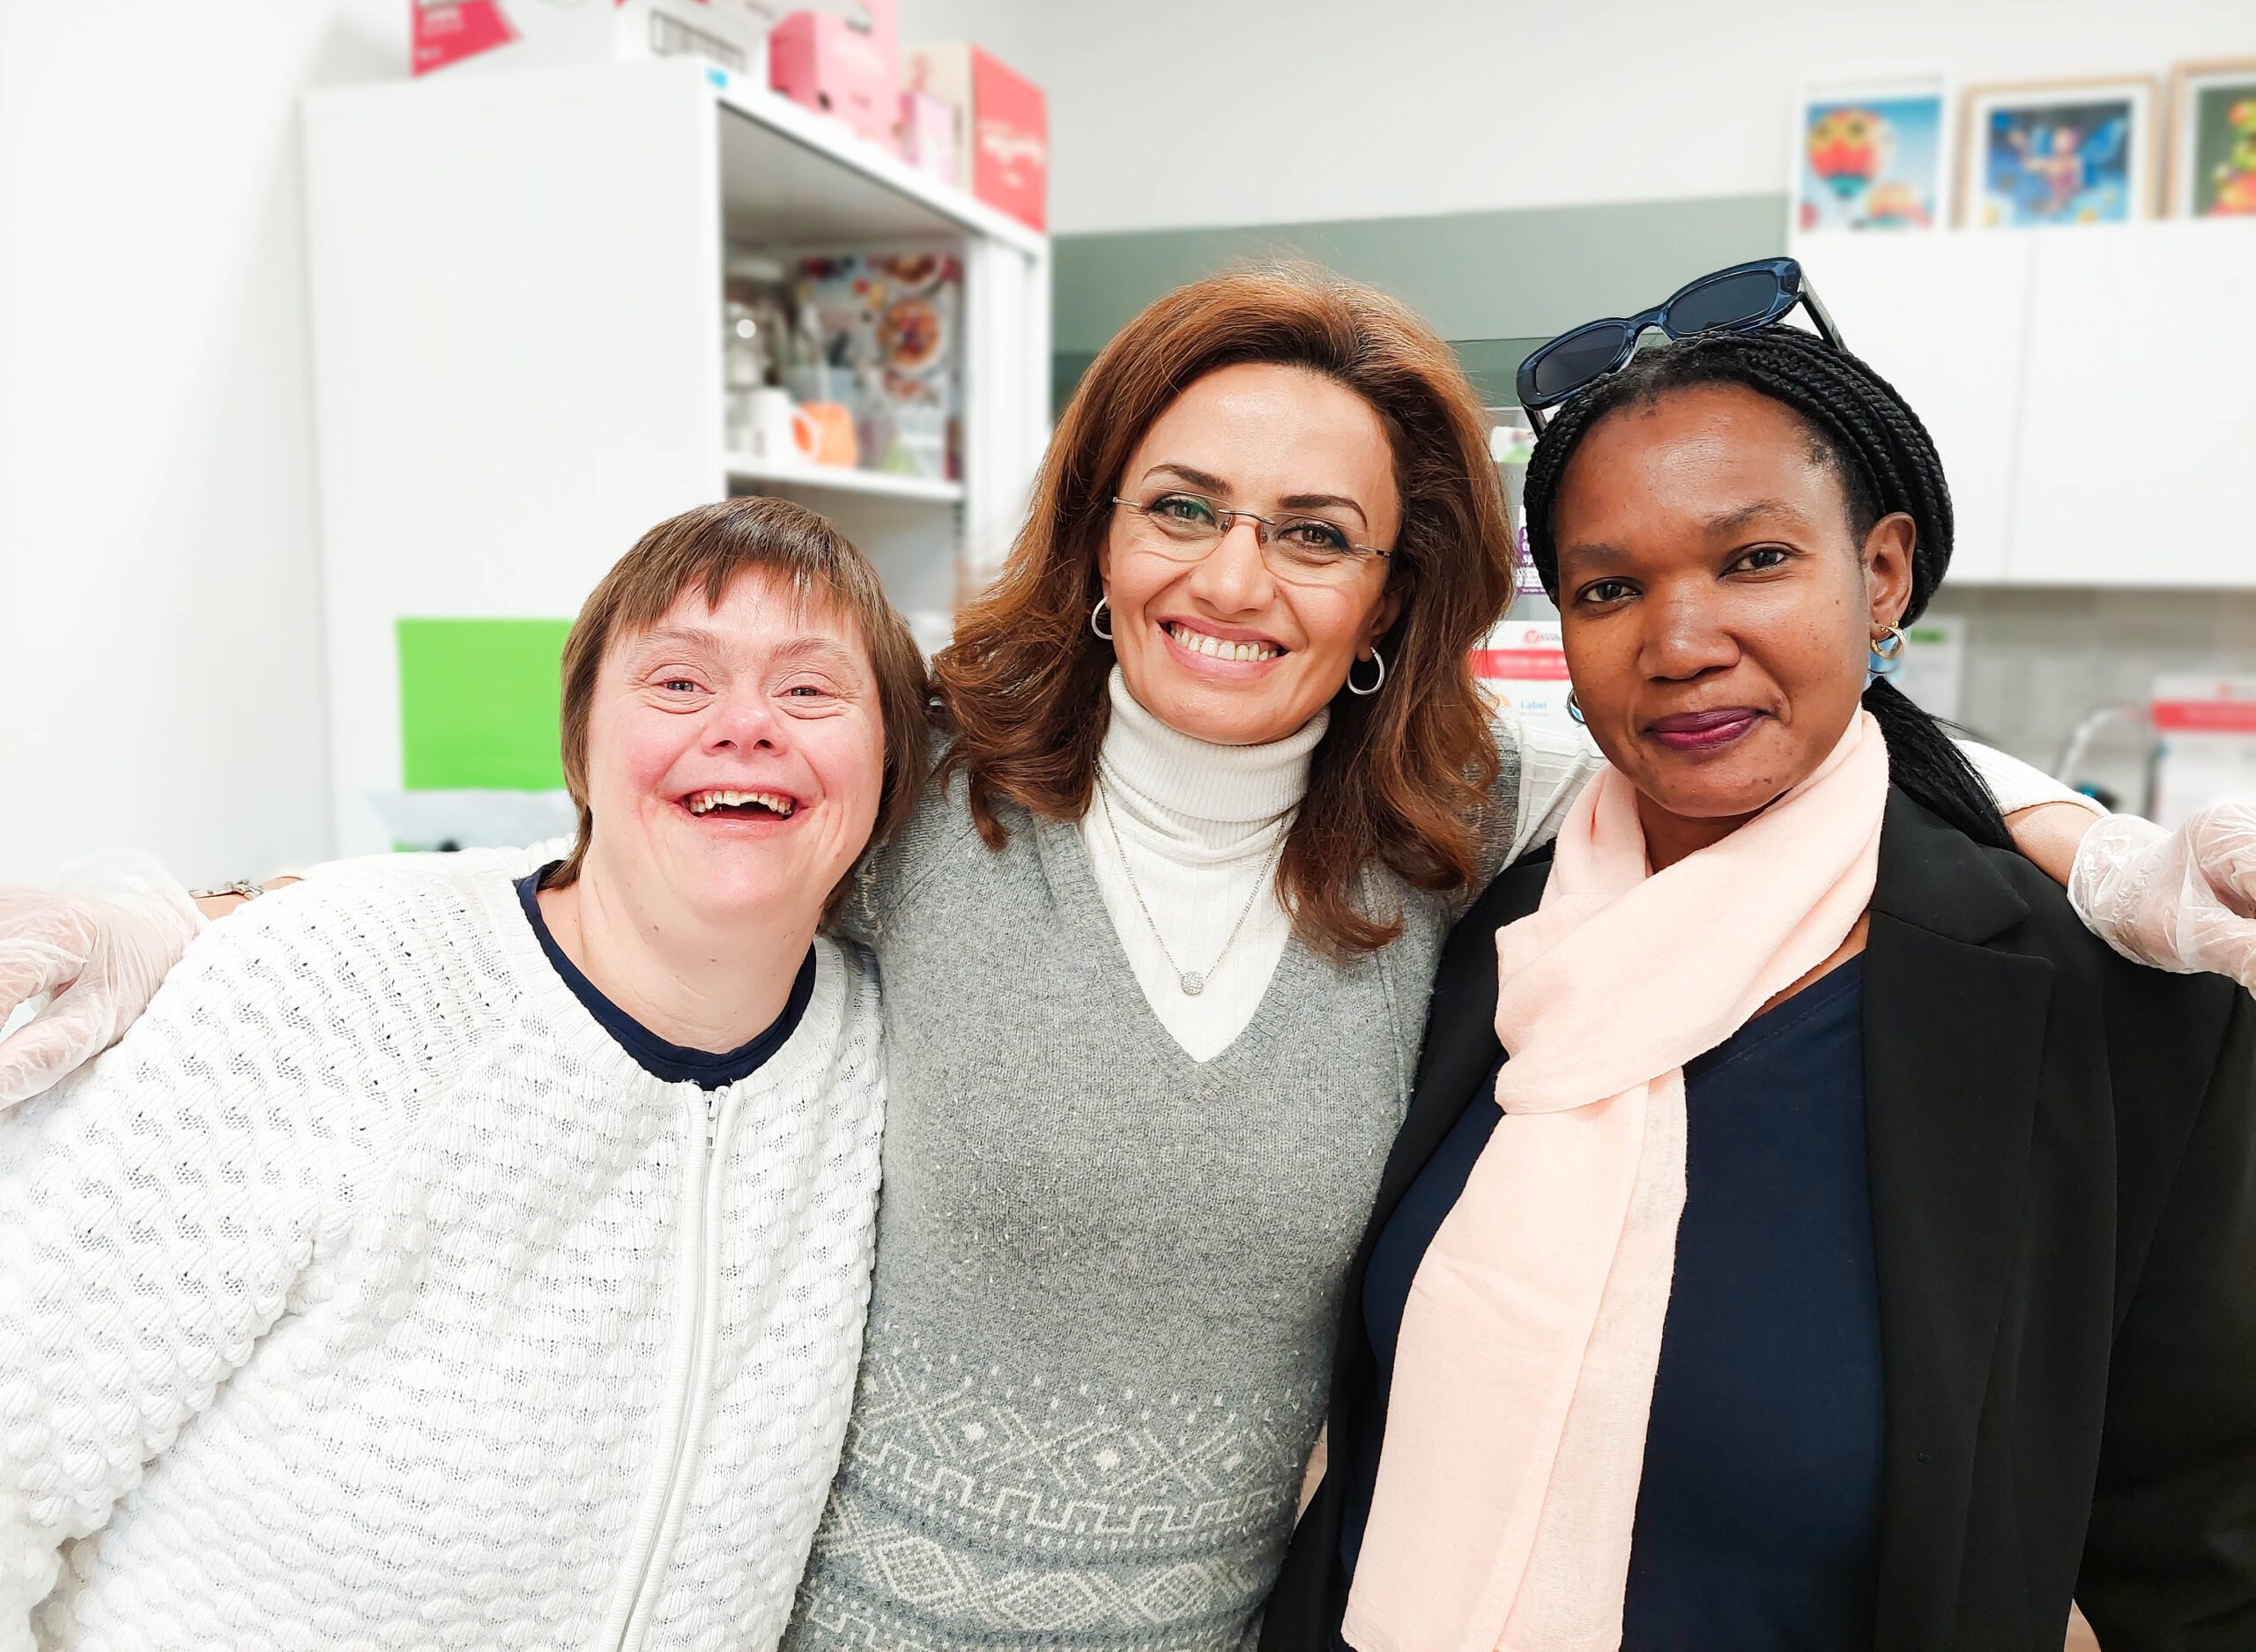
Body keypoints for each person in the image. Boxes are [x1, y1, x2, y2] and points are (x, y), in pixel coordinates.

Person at [0, 269, 2247, 1652]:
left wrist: (2093, 848)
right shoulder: (921, 807)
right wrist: (158, 922)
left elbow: (1779, 722)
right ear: (1094, 535)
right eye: (1181, 505)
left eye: (1316, 532)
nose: (1234, 579)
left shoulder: (1479, 850)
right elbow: (587, 871)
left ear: (1397, 601)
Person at [1262, 311, 2256, 1652]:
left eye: (1757, 560)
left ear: (1884, 574)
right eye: (1611, 590)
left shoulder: (2114, 1013)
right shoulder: (1491, 938)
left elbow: (2193, 1565)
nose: (1681, 643)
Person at [0, 498, 931, 1650]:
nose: (744, 726)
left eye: (809, 690)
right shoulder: (326, 988)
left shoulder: (889, 1054)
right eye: (679, 683)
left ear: (891, 767)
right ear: (581, 749)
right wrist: (224, 913)